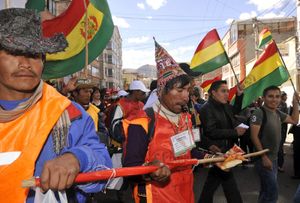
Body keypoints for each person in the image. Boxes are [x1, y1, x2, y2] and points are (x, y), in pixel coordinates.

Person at [0, 8, 112, 202]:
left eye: (34, 55)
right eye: (13, 53)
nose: (26, 63)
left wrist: (78, 158)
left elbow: (103, 165)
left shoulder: (68, 113)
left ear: (43, 61)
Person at [122, 41, 205, 203]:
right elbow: (130, 167)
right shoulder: (142, 121)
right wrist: (151, 169)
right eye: (180, 90)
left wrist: (212, 157)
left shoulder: (186, 118)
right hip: (157, 196)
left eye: (188, 91)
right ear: (162, 92)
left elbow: (188, 151)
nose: (185, 97)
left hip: (185, 193)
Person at [199, 80, 246, 203]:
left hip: (229, 150)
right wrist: (235, 132)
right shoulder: (206, 109)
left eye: (227, 91)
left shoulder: (224, 105)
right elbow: (211, 131)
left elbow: (235, 110)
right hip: (219, 152)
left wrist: (239, 94)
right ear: (213, 93)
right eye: (223, 91)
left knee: (214, 183)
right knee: (229, 184)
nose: (226, 94)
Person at [250, 86, 299, 203]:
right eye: (270, 96)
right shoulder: (259, 112)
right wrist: (264, 157)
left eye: (277, 96)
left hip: (274, 158)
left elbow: (294, 120)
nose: (274, 99)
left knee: (266, 190)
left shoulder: (277, 112)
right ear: (264, 98)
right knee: (272, 193)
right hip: (264, 159)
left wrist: (295, 103)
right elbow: (253, 136)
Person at [277, 91, 289, 172]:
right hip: (277, 128)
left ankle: (280, 165)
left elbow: (286, 117)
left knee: (279, 147)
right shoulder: (282, 103)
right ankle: (279, 165)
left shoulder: (284, 104)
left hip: (281, 127)